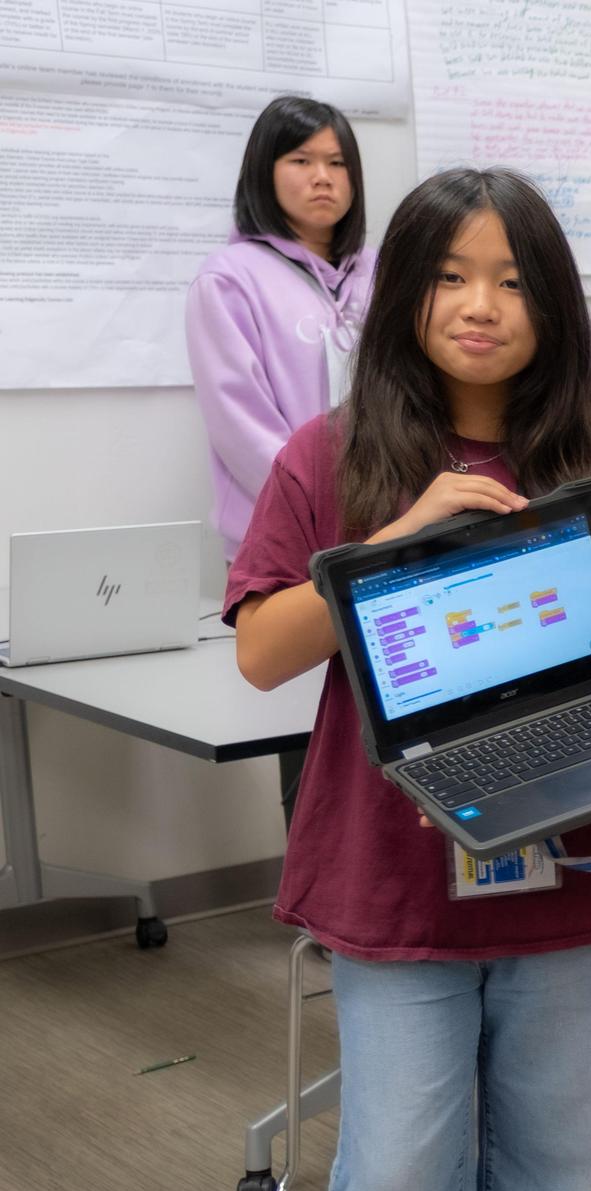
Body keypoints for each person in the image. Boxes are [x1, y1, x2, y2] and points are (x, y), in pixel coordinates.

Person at [226, 167, 591, 1191]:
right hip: (393, 881)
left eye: (512, 281)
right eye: (449, 276)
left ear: (553, 307)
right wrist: (397, 541)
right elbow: (262, 654)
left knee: (558, 1172)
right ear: (403, 297)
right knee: (397, 1170)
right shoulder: (330, 457)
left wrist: (528, 782)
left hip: (567, 880)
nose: (480, 306)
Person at [188, 95, 376, 827]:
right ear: (265, 173)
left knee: (391, 708)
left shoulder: (380, 270)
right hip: (292, 536)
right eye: (300, 161)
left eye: (337, 162)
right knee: (309, 723)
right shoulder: (229, 277)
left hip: (388, 522)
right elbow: (238, 419)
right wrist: (320, 510)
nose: (322, 177)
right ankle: (323, 902)